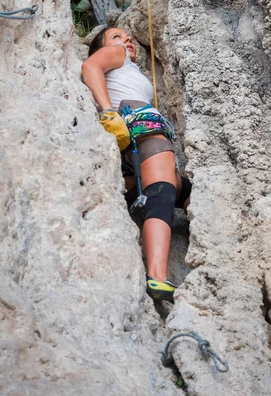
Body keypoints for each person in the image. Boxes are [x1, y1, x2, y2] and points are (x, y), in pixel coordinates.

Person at [81, 27, 191, 303]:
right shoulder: (117, 56)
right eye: (116, 36)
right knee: (162, 193)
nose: (126, 40)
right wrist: (108, 111)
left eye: (128, 37)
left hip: (129, 137)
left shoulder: (129, 70)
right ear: (104, 46)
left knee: (183, 189)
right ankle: (157, 276)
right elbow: (91, 65)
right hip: (140, 124)